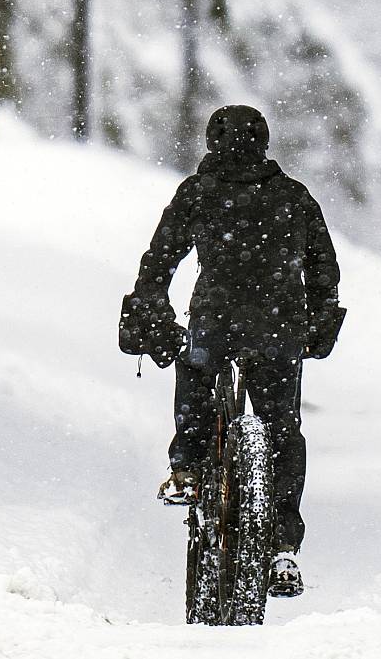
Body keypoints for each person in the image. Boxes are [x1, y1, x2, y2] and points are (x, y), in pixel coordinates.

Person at [120, 105, 344, 599]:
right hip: (277, 329)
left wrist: (149, 307)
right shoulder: (294, 197)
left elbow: (159, 260)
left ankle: (188, 469)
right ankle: (283, 548)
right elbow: (325, 270)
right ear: (264, 143)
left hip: (216, 321)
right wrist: (319, 322)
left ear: (211, 143)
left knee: (197, 373)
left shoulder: (198, 193)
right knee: (281, 427)